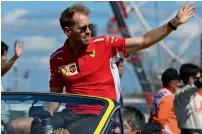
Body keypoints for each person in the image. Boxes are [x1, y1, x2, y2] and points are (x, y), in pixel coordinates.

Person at [7, 3, 196, 134]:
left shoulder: (105, 45)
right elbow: (55, 97)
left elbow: (144, 41)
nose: (88, 31)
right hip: (70, 114)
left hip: (102, 115)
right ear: (67, 31)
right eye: (82, 28)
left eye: (89, 27)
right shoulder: (57, 58)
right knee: (15, 126)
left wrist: (174, 23)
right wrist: (46, 111)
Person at [149, 68, 181, 134]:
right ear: (172, 83)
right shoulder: (168, 98)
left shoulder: (159, 94)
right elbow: (161, 119)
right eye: (178, 81)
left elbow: (153, 115)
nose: (179, 84)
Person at [174, 63, 202, 134]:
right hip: (188, 132)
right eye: (199, 78)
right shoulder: (180, 92)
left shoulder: (196, 93)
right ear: (191, 78)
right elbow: (188, 90)